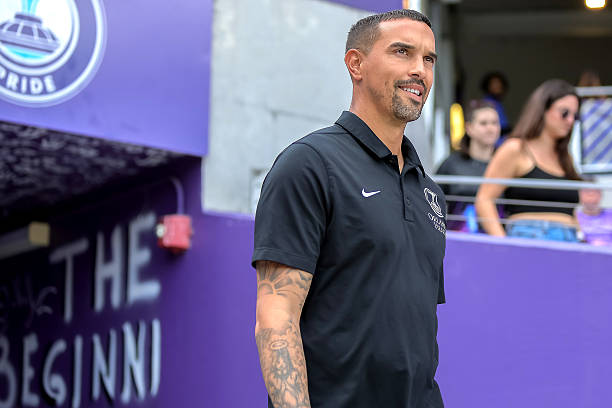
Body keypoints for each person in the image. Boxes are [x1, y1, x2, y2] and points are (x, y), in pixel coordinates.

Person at [252, 9, 446, 408]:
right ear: (355, 64)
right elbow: (277, 315)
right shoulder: (309, 163)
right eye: (402, 52)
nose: (419, 70)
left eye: (428, 59)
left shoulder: (430, 193)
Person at [476, 79, 581, 242]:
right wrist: (504, 245)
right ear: (543, 110)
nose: (570, 121)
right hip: (530, 238)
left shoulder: (566, 157)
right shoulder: (516, 148)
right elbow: (484, 199)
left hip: (570, 241)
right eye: (564, 113)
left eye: (575, 115)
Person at [437, 99, 500, 232]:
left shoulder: (506, 164)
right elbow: (430, 201)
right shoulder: (451, 163)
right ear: (469, 128)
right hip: (458, 240)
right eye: (484, 123)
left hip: (498, 240)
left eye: (494, 123)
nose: (491, 128)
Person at [481, 71, 511, 135]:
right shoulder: (487, 103)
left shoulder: (497, 103)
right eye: (494, 83)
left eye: (499, 83)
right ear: (487, 86)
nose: (498, 86)